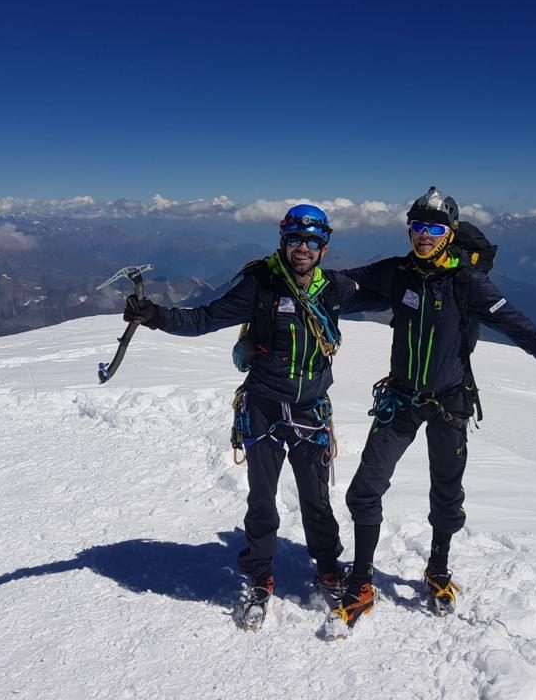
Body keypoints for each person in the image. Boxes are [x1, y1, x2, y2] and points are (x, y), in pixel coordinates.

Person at [330, 187, 536, 628]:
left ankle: (437, 570)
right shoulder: (397, 273)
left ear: (449, 233)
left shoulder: (466, 282)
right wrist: (292, 276)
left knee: (446, 492)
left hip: (449, 403)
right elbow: (343, 282)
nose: (423, 235)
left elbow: (522, 329)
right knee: (364, 489)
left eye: (434, 228)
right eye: (417, 226)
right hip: (401, 397)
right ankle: (361, 579)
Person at [122, 204, 361, 630]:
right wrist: (156, 315)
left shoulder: (335, 288)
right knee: (262, 500)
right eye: (294, 240)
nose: (301, 248)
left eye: (310, 241)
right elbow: (206, 317)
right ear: (283, 241)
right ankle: (259, 576)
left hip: (309, 410)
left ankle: (327, 565)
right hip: (265, 408)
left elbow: (397, 278)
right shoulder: (261, 284)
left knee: (316, 499)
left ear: (324, 246)